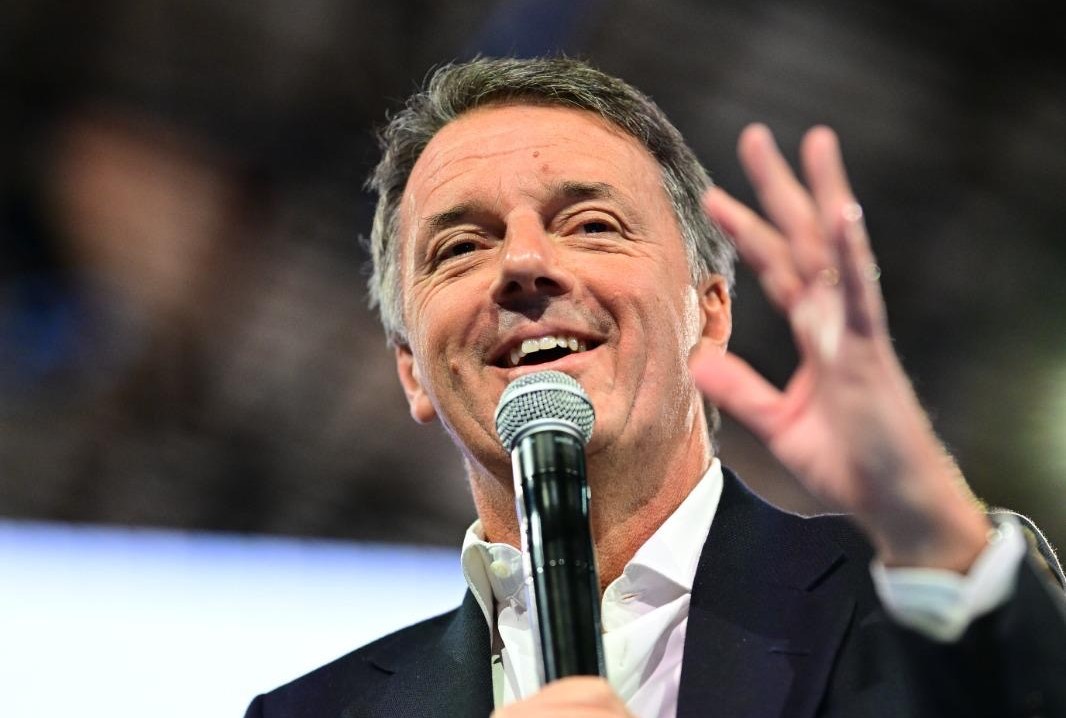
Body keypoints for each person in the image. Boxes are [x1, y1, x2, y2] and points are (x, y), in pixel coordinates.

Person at [244, 57, 1066, 717]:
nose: (523, 263)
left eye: (591, 225)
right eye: (460, 246)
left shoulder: (906, 611)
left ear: (710, 312)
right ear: (411, 370)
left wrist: (921, 510)